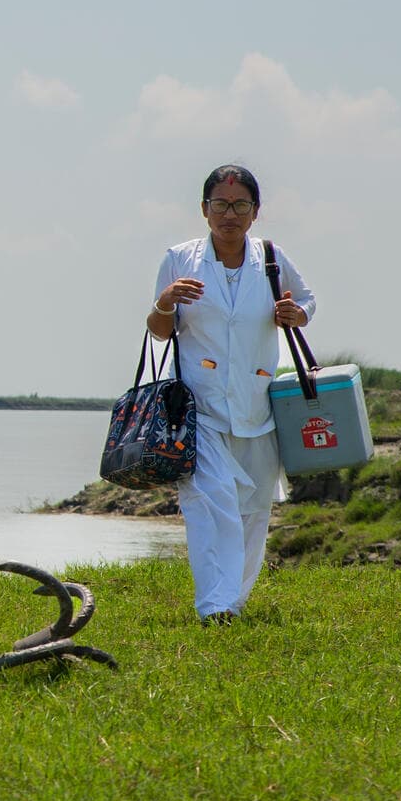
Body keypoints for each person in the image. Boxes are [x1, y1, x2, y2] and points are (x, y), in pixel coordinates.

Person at [149, 164, 316, 622]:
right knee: (210, 502)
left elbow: (307, 300)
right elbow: (159, 331)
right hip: (198, 408)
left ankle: (234, 603)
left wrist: (295, 314)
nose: (230, 214)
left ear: (255, 211)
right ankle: (213, 605)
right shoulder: (180, 258)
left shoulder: (271, 258)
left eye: (240, 205)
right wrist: (165, 302)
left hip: (257, 404)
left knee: (254, 510)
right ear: (204, 210)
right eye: (220, 205)